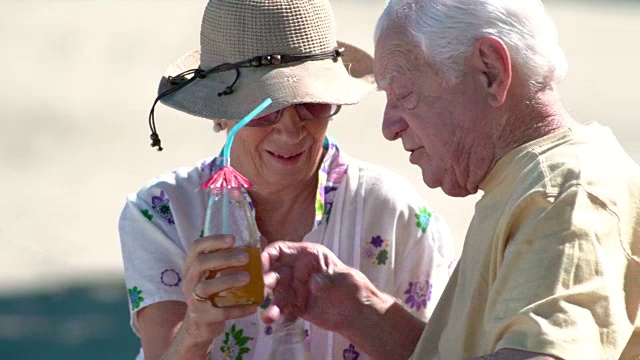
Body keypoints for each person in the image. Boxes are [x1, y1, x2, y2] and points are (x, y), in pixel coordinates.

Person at [261, 0, 640, 359]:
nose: (389, 127)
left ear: (490, 71)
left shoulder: (564, 192)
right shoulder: (531, 181)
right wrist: (358, 309)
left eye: (403, 93)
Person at [118, 0, 456, 359]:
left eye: (312, 102)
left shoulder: (394, 213)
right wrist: (197, 330)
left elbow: (448, 354)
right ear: (220, 114)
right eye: (265, 108)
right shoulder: (162, 214)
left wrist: (363, 310)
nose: (292, 128)